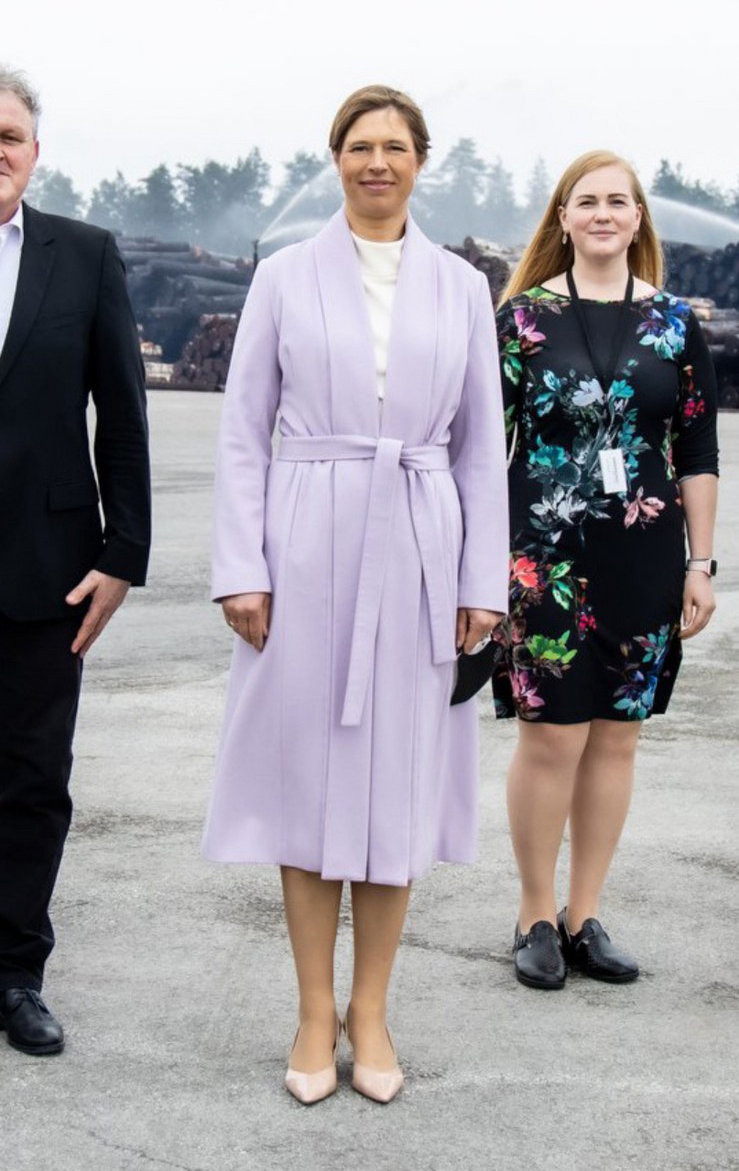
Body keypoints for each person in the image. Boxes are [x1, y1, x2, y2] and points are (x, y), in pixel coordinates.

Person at [203, 85, 509, 1103]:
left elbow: (479, 452)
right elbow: (245, 430)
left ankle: (370, 1010)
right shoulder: (286, 279)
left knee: (396, 787)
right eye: (358, 146)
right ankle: (308, 1010)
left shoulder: (463, 288)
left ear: (421, 161)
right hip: (305, 541)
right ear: (335, 159)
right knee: (306, 780)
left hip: (420, 541)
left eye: (394, 146)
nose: (376, 161)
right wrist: (241, 567)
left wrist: (480, 586)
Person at [493, 151, 718, 989]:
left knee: (616, 739)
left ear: (635, 220)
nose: (601, 213)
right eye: (585, 201)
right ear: (562, 218)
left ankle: (585, 915)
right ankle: (533, 914)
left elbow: (694, 447)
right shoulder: (521, 321)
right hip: (540, 561)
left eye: (616, 201)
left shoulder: (672, 321)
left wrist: (701, 563)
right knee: (550, 737)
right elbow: (485, 447)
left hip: (643, 558)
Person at [0, 68, 151, 1054]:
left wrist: (123, 554)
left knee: (30, 779)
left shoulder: (84, 256)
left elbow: (124, 415)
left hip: (45, 568)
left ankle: (16, 970)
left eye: (9, 135)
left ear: (35, 151)